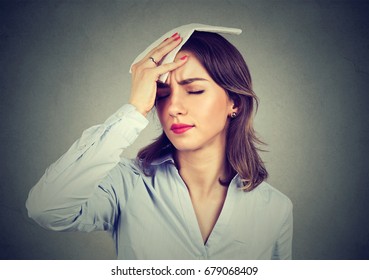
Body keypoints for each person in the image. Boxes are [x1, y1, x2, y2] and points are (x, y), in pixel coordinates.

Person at [26, 24, 293, 260]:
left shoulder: (275, 209)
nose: (174, 107)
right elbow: (47, 209)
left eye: (195, 90)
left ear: (234, 102)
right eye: (162, 94)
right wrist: (134, 110)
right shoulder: (127, 184)